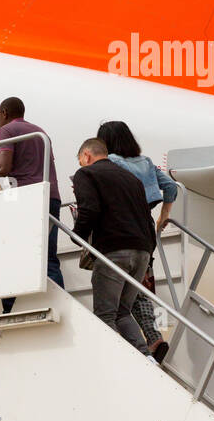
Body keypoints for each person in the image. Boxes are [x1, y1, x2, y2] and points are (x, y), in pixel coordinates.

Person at [96, 120, 177, 359]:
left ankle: (133, 344)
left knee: (119, 291)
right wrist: (164, 215)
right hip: (146, 230)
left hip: (123, 227)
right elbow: (170, 186)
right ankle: (153, 338)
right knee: (139, 286)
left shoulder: (111, 162)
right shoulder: (146, 162)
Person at [72, 137, 158, 358]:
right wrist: (148, 252)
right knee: (123, 311)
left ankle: (118, 361)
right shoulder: (132, 179)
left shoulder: (86, 174)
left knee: (105, 314)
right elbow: (147, 219)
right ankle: (146, 357)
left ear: (86, 156)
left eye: (80, 159)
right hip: (142, 252)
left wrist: (77, 236)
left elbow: (89, 209)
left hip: (114, 250)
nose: (80, 164)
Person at [0, 96, 65, 297]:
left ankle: (9, 306)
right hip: (51, 197)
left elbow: (3, 167)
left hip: (27, 198)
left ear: (4, 113)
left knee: (15, 253)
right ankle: (60, 300)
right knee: (49, 256)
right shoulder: (40, 132)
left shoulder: (7, 130)